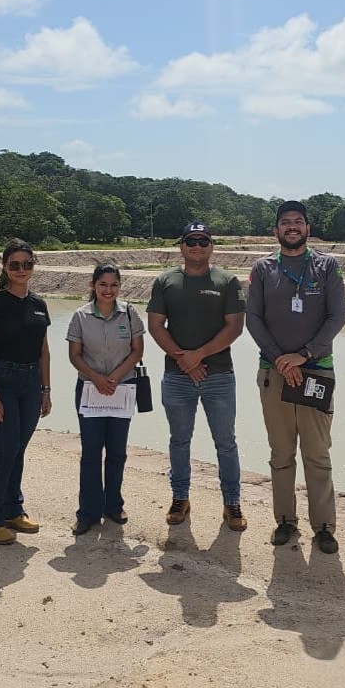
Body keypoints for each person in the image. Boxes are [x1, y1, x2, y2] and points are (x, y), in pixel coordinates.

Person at [245, 200, 345, 554]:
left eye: (298, 221)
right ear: (276, 231)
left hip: (316, 369)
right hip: (274, 373)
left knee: (317, 454)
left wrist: (302, 356)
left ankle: (323, 526)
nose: (292, 227)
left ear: (307, 228)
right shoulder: (262, 269)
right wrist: (279, 359)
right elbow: (253, 319)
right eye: (285, 222)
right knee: (281, 452)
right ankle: (285, 521)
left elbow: (337, 317)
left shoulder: (327, 266)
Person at [146, 221, 247, 531]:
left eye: (204, 241)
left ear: (211, 246)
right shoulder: (165, 281)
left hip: (218, 376)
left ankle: (232, 503)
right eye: (191, 240)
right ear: (182, 245)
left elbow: (235, 327)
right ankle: (180, 498)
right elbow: (155, 326)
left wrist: (197, 356)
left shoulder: (227, 281)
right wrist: (184, 360)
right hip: (177, 377)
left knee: (225, 443)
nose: (197, 246)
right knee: (179, 441)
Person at [0, 238, 51, 545]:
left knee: (18, 448)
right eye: (15, 265)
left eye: (27, 264)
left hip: (31, 383)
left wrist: (46, 390)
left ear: (34, 266)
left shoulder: (38, 304)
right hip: (2, 381)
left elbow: (43, 350)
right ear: (5, 267)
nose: (22, 270)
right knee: (6, 450)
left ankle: (13, 510)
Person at [66, 263, 145, 535]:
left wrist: (114, 377)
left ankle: (113, 505)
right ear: (93, 285)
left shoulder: (130, 313)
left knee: (117, 452)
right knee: (90, 453)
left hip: (122, 390)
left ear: (119, 286)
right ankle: (87, 512)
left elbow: (137, 351)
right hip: (90, 390)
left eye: (114, 285)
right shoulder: (80, 316)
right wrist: (97, 379)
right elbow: (74, 355)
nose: (108, 290)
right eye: (103, 284)